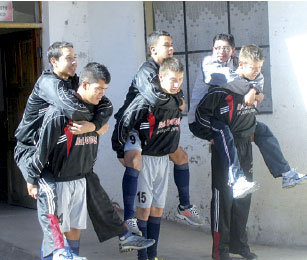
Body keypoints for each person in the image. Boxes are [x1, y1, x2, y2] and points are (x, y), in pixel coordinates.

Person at [14, 42, 154, 259]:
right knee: (49, 197)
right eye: (68, 58)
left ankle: (123, 235)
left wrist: (96, 126)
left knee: (92, 188)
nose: (74, 61)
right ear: (53, 61)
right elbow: (74, 109)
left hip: (64, 157)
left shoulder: (76, 82)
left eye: (75, 57)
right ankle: (59, 251)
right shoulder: (49, 83)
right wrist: (31, 178)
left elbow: (106, 105)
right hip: (33, 150)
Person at [112, 31, 204, 235]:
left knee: (180, 156)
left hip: (159, 128)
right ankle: (129, 220)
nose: (171, 48)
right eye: (166, 45)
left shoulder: (171, 70)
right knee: (135, 161)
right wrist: (177, 102)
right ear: (153, 49)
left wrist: (178, 103)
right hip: (137, 126)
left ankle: (185, 206)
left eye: (172, 44)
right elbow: (156, 99)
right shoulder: (147, 70)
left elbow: (179, 105)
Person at [189, 33, 307, 192]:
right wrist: (255, 91)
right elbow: (226, 81)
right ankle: (236, 180)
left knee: (262, 130)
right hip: (202, 118)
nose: (221, 52)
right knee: (223, 132)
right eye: (217, 48)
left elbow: (258, 75)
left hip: (226, 117)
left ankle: (286, 173)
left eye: (226, 48)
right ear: (213, 49)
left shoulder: (240, 63)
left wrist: (254, 89)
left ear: (233, 50)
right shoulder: (209, 63)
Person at [195, 45, 265, 260]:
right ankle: (220, 250)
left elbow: (250, 112)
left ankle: (239, 245)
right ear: (241, 64)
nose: (256, 72)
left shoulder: (254, 87)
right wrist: (214, 135)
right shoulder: (221, 89)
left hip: (245, 148)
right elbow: (201, 114)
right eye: (253, 67)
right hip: (225, 150)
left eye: (259, 68)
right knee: (223, 199)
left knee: (243, 197)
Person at [113, 57, 184, 260]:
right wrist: (120, 150)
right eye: (171, 79)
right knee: (143, 211)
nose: (176, 84)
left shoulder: (176, 99)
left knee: (157, 210)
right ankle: (142, 257)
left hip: (163, 160)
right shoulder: (146, 99)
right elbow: (124, 121)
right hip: (147, 159)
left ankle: (153, 256)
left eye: (179, 79)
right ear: (160, 77)